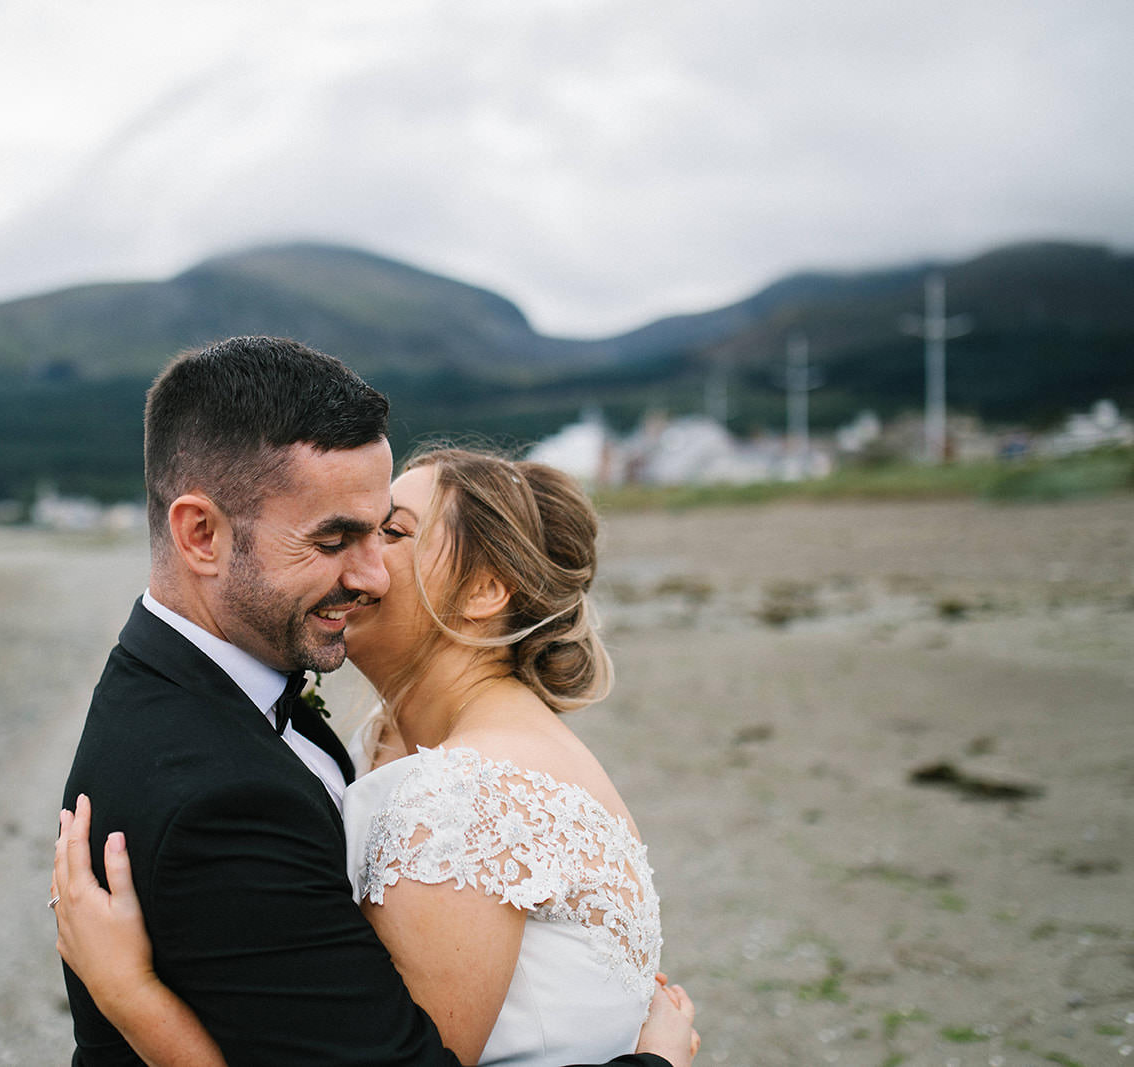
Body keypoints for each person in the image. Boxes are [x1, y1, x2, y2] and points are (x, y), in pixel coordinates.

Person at [53, 336, 697, 1066]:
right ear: (201, 534)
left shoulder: (442, 781)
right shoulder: (221, 789)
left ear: (488, 591)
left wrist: (133, 994)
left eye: (388, 532)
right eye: (341, 537)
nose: (371, 574)